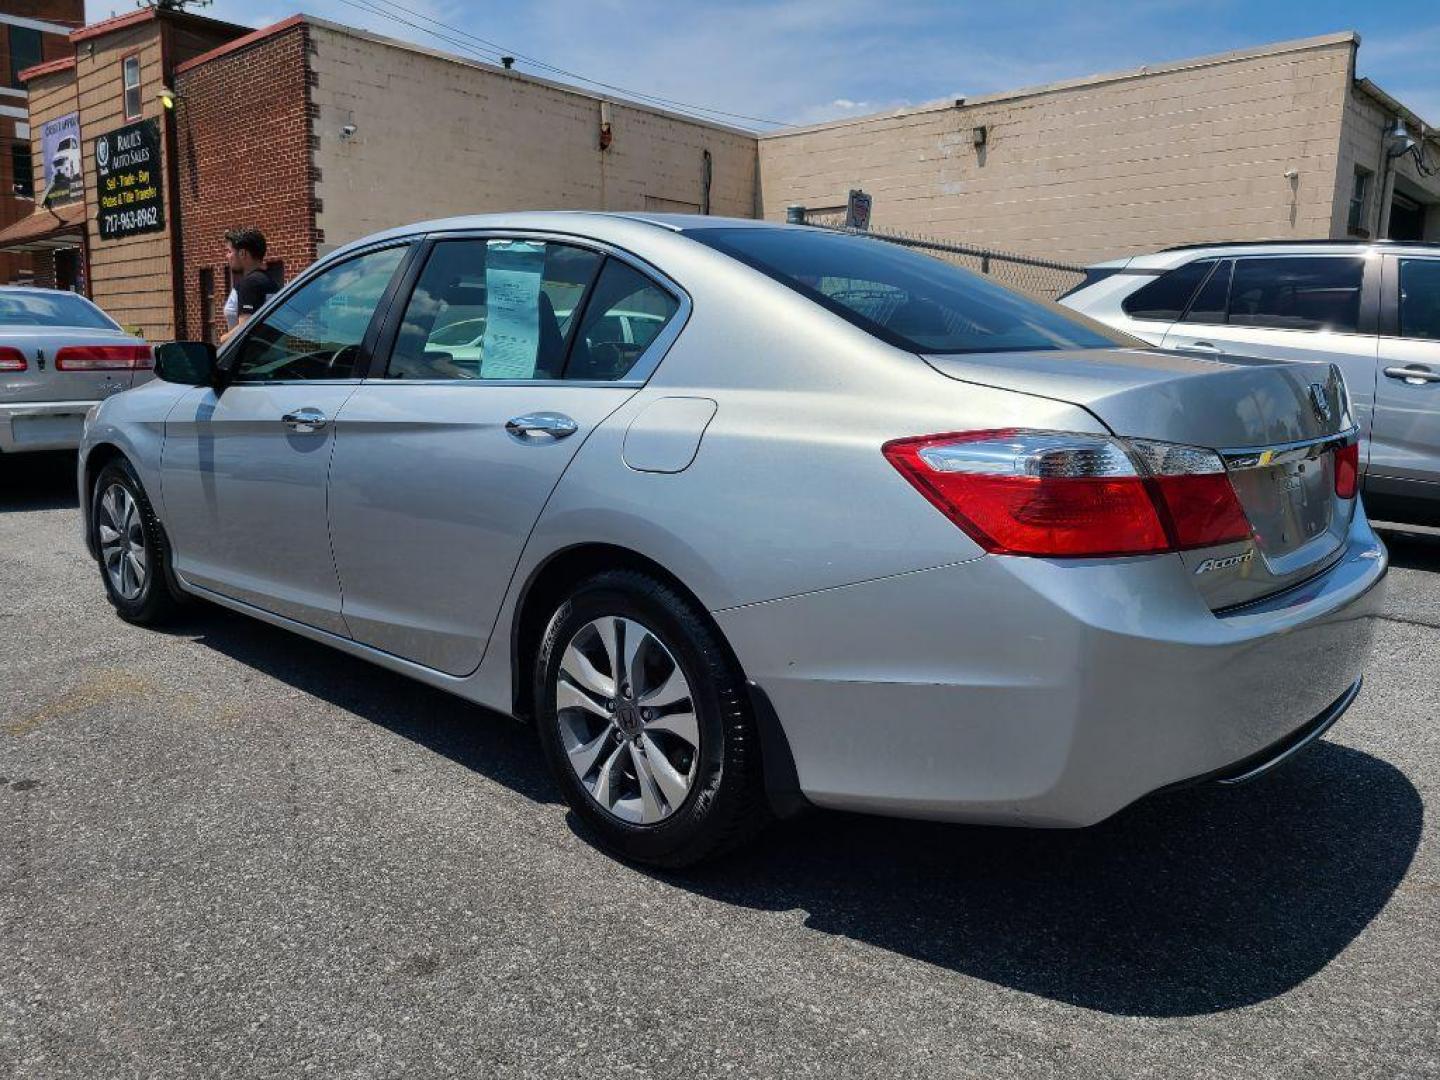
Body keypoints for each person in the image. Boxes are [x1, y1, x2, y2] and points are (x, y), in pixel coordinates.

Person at [219, 227, 279, 343]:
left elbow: (246, 326)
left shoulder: (250, 284)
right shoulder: (269, 281)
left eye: (229, 251)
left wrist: (222, 340)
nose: (227, 256)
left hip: (252, 358)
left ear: (242, 253)